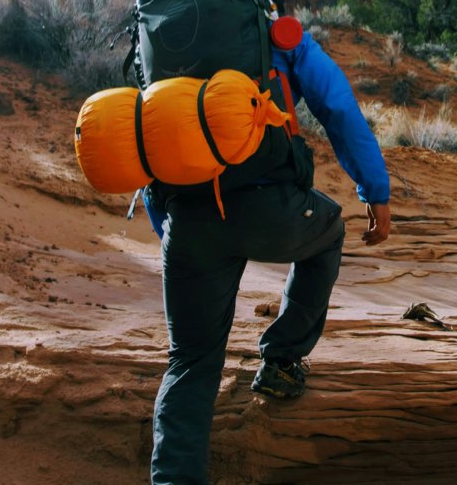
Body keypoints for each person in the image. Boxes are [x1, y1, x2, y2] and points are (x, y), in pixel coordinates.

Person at [148, 29, 392, 485]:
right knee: (330, 230)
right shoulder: (280, 39)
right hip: (271, 210)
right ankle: (281, 361)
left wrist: (166, 228)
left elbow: (147, 135)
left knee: (189, 362)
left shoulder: (167, 40)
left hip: (190, 217)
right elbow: (338, 110)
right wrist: (375, 192)